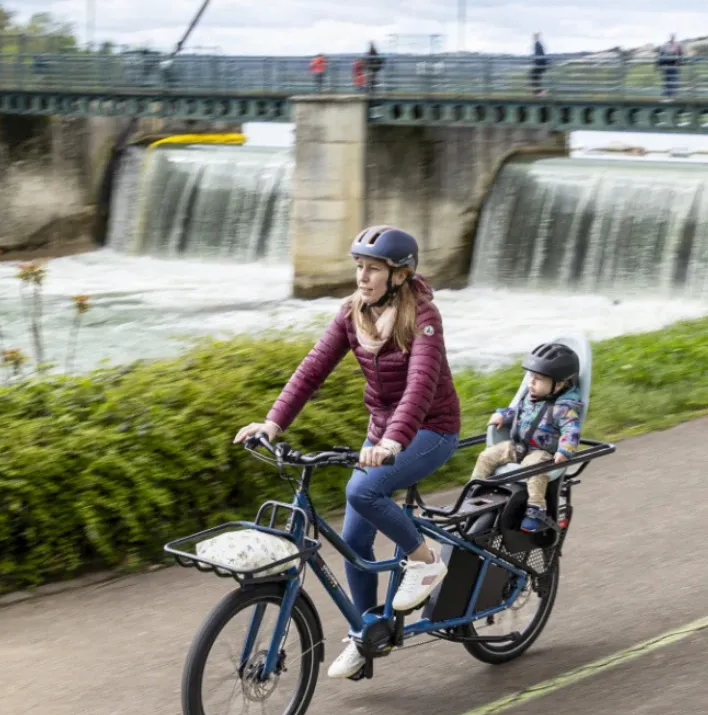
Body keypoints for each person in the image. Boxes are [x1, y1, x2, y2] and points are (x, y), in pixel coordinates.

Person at [234, 225, 461, 679]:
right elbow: (312, 369)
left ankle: (425, 560)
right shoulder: (352, 313)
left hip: (431, 430)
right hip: (382, 432)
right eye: (359, 267)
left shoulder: (424, 319)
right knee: (353, 540)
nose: (362, 276)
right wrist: (273, 423)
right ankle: (368, 632)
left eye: (373, 269)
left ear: (398, 275)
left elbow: (420, 387)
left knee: (363, 493)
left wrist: (394, 441)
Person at [470, 342, 583, 533]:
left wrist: (565, 450)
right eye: (531, 377)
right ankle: (474, 492)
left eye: (538, 379)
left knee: (534, 469)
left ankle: (536, 510)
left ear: (560, 383)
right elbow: (516, 411)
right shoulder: (530, 396)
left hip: (542, 452)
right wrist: (503, 416)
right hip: (518, 446)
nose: (531, 382)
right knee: (486, 456)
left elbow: (571, 430)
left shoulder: (564, 407)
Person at [657, 34, 684, 99]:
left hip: (668, 66)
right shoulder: (677, 45)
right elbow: (681, 55)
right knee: (672, 79)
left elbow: (660, 55)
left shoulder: (665, 45)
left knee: (668, 79)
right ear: (674, 38)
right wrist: (680, 61)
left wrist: (660, 63)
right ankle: (672, 94)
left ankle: (669, 93)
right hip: (673, 65)